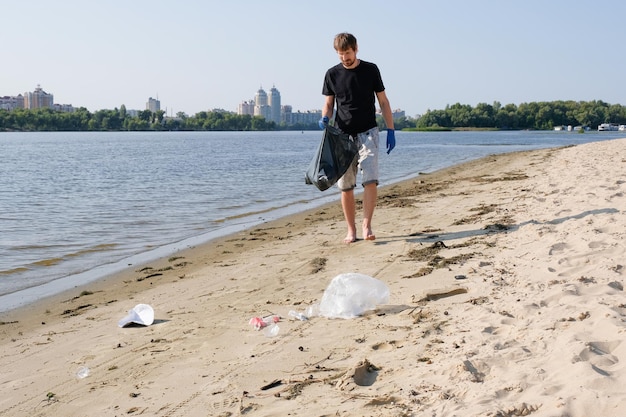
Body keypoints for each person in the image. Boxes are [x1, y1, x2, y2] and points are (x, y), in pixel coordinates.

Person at [319, 32, 395, 244]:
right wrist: (325, 118)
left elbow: (384, 101)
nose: (345, 58)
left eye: (348, 53)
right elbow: (328, 104)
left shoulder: (371, 70)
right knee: (346, 185)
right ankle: (351, 230)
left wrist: (391, 129)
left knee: (370, 178)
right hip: (342, 136)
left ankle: (366, 224)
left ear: (356, 49)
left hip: (368, 132)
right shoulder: (332, 74)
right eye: (341, 54)